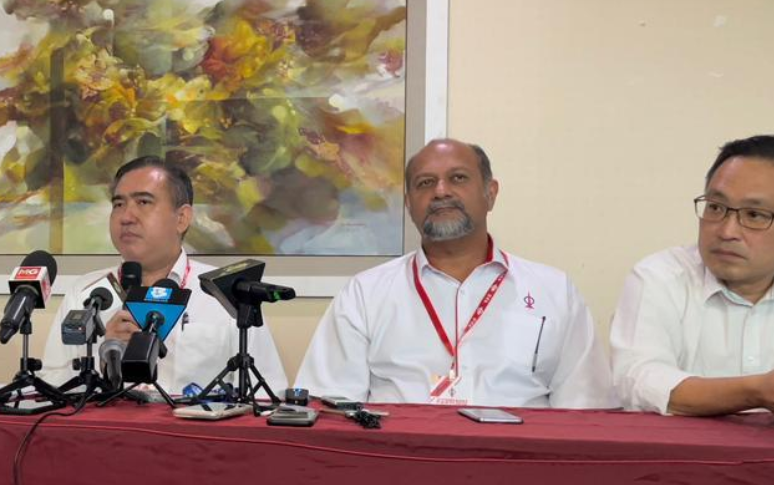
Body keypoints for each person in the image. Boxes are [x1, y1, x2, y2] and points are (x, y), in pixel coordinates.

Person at [295, 139, 616, 407]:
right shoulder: (364, 295)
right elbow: (327, 407)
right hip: (399, 470)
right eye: (425, 183)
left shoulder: (555, 291)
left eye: (458, 178)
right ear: (409, 204)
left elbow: (586, 410)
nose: (441, 191)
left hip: (519, 470)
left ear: (491, 193)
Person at [41, 156, 287, 397]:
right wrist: (104, 360)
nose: (126, 217)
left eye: (144, 202)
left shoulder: (227, 292)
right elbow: (50, 386)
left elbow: (267, 393)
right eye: (118, 204)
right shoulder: (87, 293)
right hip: (109, 435)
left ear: (181, 218)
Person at [611, 135, 774, 415]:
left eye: (754, 215)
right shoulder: (660, 276)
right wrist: (755, 391)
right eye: (716, 207)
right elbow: (639, 379)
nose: (727, 231)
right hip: (682, 457)